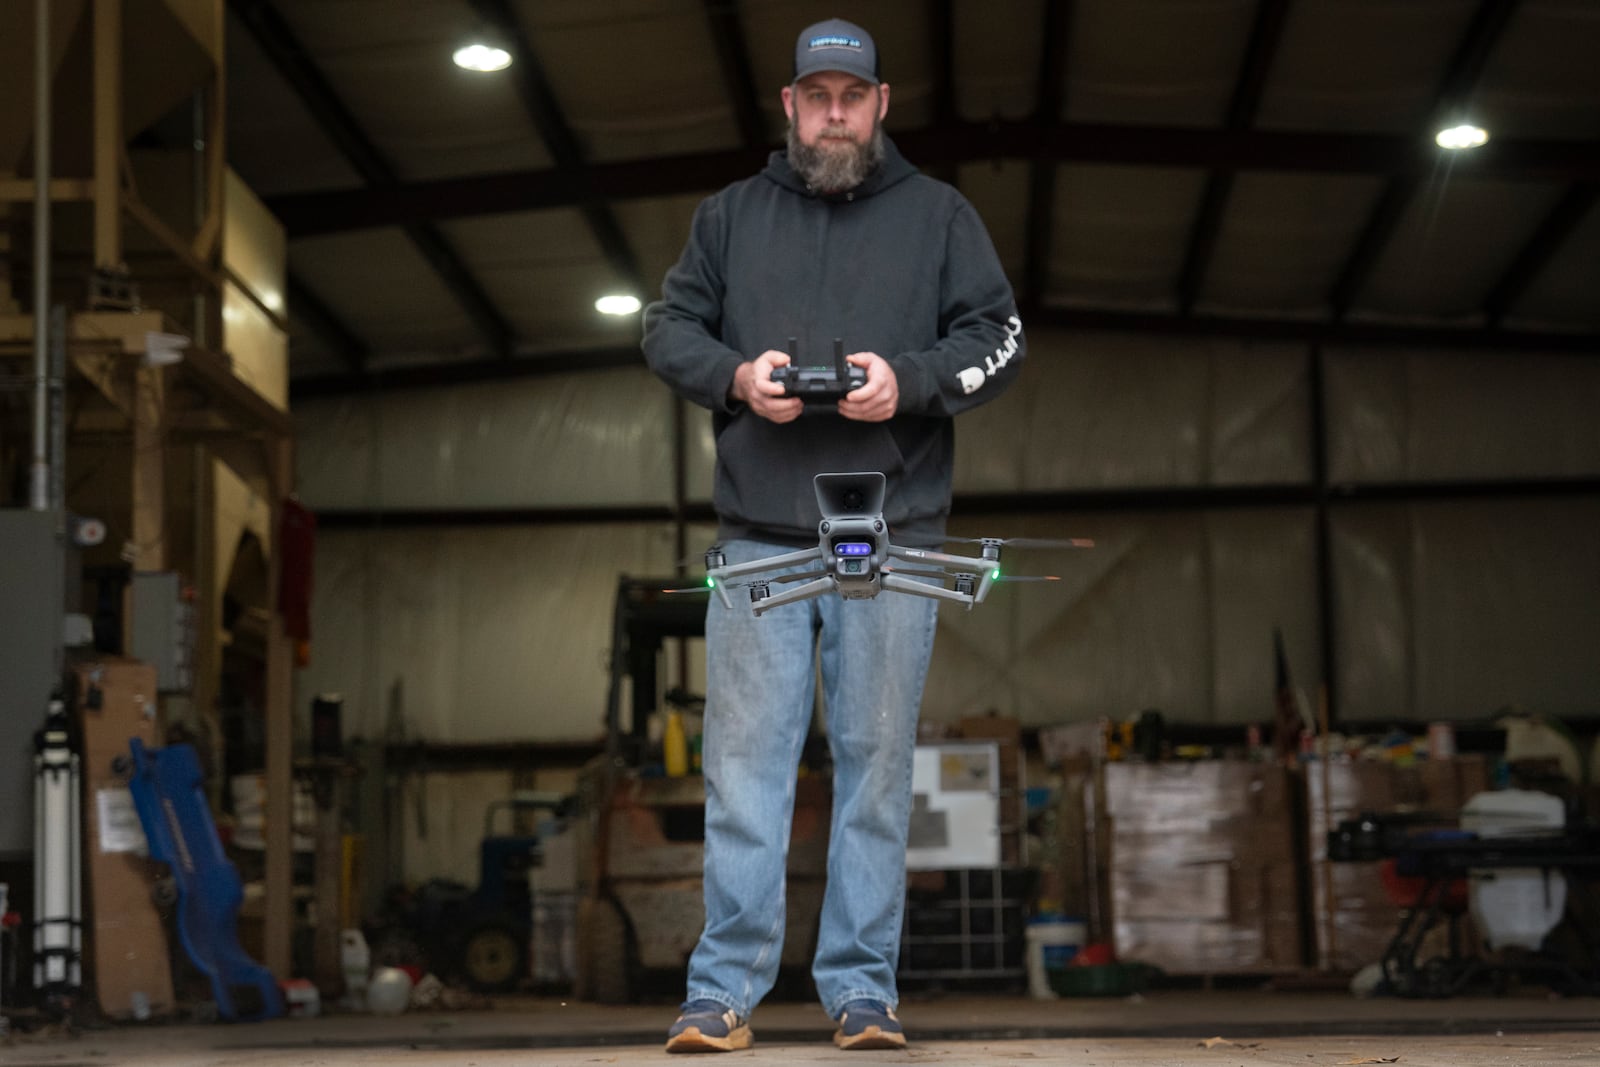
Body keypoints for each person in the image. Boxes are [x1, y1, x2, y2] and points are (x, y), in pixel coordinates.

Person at [641, 16, 1024, 1053]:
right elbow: (664, 329)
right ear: (790, 105)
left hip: (893, 533)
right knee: (744, 769)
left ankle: (861, 992)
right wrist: (735, 376)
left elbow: (998, 336)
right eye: (817, 96)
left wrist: (912, 380)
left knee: (874, 764)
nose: (835, 113)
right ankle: (720, 993)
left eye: (851, 96)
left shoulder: (940, 217)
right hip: (761, 535)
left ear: (881, 103)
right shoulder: (728, 218)